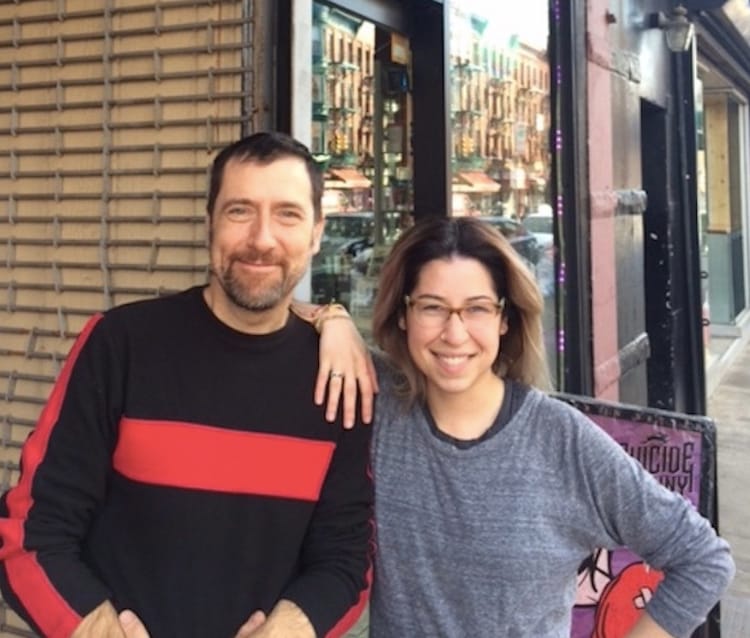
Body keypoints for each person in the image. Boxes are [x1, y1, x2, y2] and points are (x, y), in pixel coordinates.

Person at [0, 132, 375, 638]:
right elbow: (31, 531)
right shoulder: (122, 344)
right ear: (210, 224)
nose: (262, 239)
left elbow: (346, 559)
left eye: (287, 214)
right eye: (240, 210)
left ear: (316, 234)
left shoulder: (339, 380)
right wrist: (96, 628)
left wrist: (291, 628)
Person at [365, 216, 734, 637]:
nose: (454, 332)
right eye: (432, 307)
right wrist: (332, 320)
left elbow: (703, 559)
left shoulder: (561, 440)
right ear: (402, 315)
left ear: (505, 319)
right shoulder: (379, 407)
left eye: (477, 308)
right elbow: (279, 317)